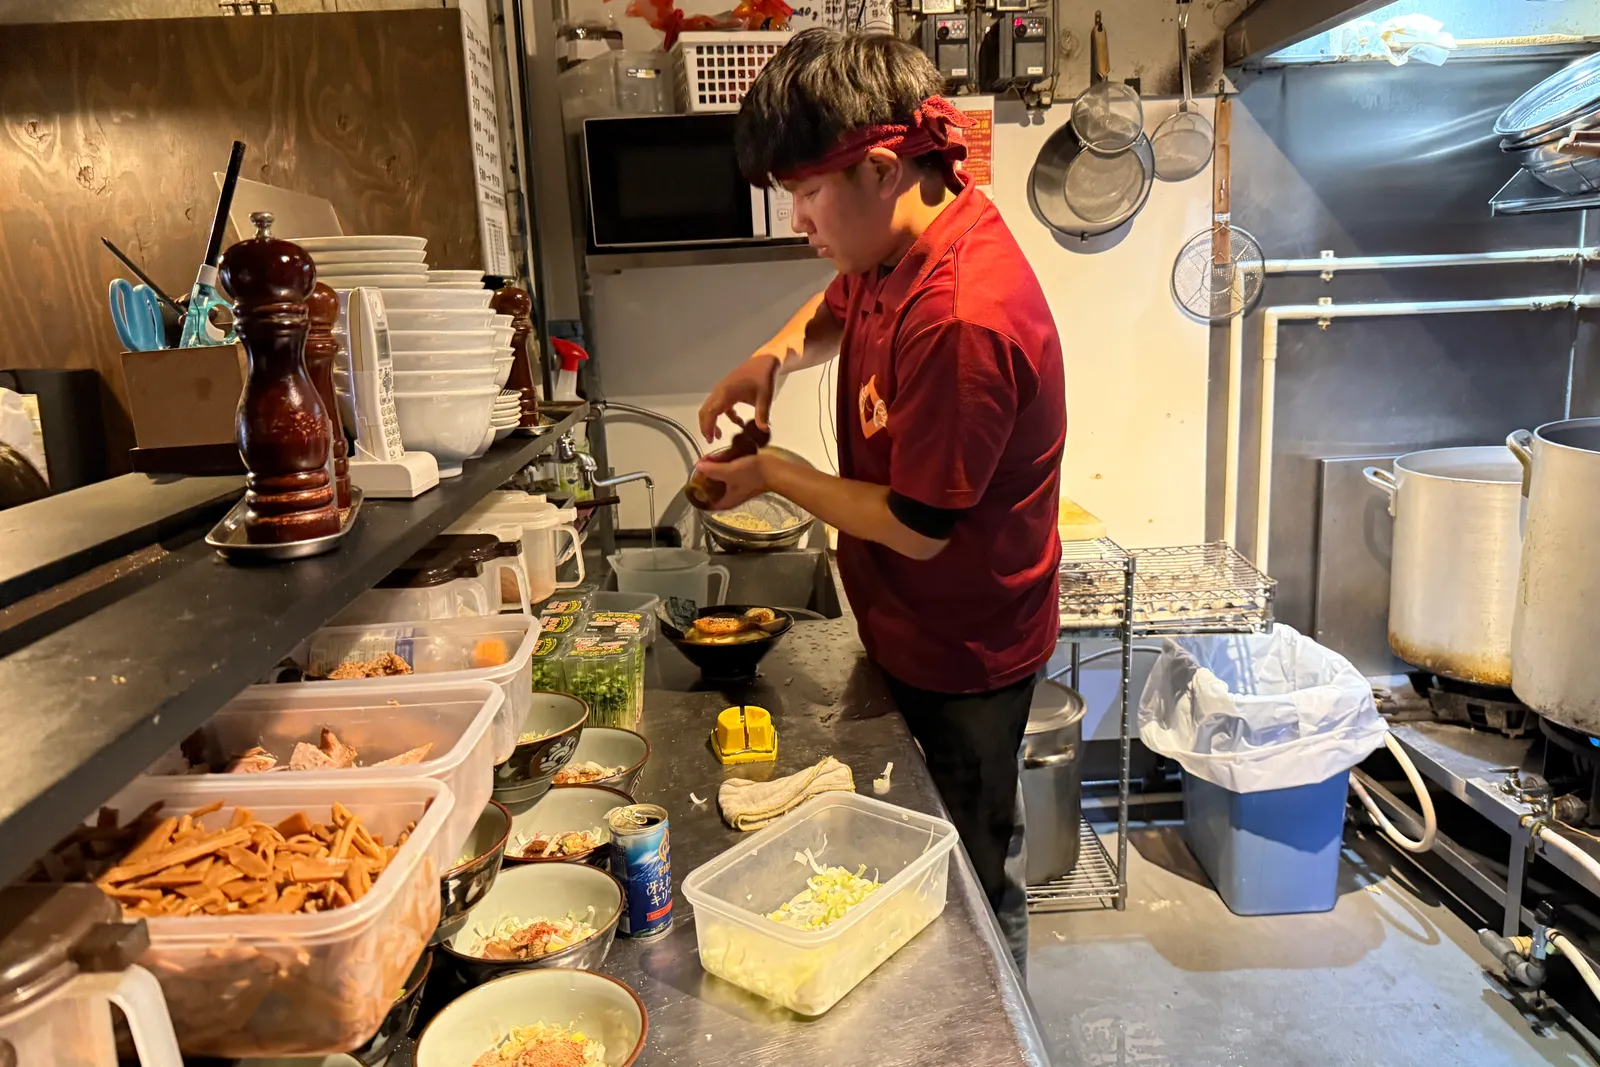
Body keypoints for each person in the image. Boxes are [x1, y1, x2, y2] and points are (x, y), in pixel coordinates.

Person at [694, 28, 1065, 972]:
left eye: (809, 194)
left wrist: (772, 472)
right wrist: (768, 360)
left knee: (975, 882)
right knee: (922, 864)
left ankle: (993, 1028)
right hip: (907, 623)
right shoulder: (901, 245)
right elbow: (839, 300)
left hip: (967, 647)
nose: (799, 222)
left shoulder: (960, 317)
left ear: (885, 167)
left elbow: (919, 526)